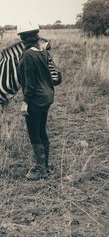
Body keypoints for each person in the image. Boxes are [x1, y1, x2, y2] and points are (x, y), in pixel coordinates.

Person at [17, 22, 61, 180]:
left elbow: (30, 82)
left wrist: (25, 102)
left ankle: (41, 169)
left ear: (23, 38)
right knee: (42, 130)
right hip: (47, 96)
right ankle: (45, 165)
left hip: (36, 98)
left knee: (34, 133)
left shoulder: (28, 54)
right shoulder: (43, 52)